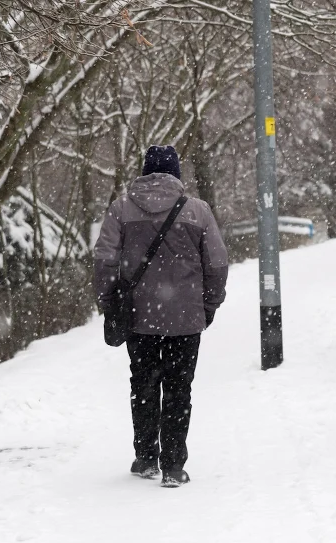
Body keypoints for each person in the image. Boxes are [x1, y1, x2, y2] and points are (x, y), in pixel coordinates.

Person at [94, 145, 228, 487]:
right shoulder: (197, 211)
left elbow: (105, 260)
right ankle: (172, 465)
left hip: (139, 317)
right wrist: (209, 304)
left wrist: (109, 301)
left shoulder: (121, 209)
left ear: (144, 173)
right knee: (179, 388)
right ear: (176, 175)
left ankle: (145, 457)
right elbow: (216, 263)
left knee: (144, 385)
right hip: (185, 318)